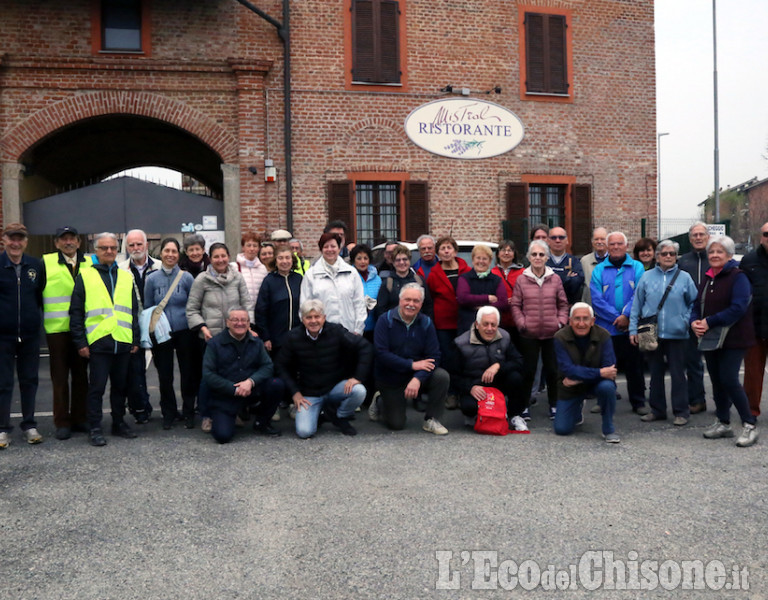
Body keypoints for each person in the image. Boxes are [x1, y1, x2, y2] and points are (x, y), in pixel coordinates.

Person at [70, 232, 140, 447]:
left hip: (122, 341)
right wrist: (81, 342)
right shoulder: (85, 276)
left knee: (120, 388)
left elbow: (133, 311)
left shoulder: (127, 277)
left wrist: (135, 339)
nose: (109, 251)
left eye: (112, 248)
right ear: (96, 250)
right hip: (98, 342)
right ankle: (95, 427)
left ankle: (118, 423)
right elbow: (76, 312)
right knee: (97, 388)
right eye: (104, 248)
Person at [691, 235, 758, 447]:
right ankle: (723, 422)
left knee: (729, 379)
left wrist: (709, 321)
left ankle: (749, 424)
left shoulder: (738, 277)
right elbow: (696, 304)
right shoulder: (708, 277)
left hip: (735, 338)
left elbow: (739, 307)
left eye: (719, 252)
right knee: (717, 381)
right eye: (711, 252)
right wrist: (694, 322)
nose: (714, 255)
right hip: (711, 338)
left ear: (729, 255)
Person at [276, 299, 371, 438]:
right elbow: (280, 365)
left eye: (317, 317)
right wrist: (294, 393)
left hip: (334, 387)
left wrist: (358, 377)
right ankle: (324, 414)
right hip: (309, 393)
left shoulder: (336, 331)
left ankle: (340, 416)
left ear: (324, 318)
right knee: (304, 432)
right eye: (309, 317)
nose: (313, 321)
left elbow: (365, 347)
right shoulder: (292, 337)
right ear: (302, 319)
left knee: (359, 391)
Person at [629, 240, 697, 425]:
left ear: (676, 257)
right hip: (651, 333)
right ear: (657, 256)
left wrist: (685, 320)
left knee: (677, 375)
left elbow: (694, 302)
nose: (668, 257)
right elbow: (637, 304)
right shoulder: (646, 277)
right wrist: (633, 329)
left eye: (672, 254)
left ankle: (681, 412)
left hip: (678, 334)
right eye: (664, 253)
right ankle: (657, 410)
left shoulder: (685, 278)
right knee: (655, 374)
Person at [186, 242, 251, 432]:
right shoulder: (201, 280)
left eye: (224, 256)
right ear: (210, 258)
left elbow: (247, 304)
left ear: (228, 256)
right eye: (216, 256)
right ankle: (206, 415)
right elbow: (192, 309)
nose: (220, 260)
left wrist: (249, 327)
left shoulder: (237, 277)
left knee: (235, 374)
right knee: (208, 378)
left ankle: (234, 411)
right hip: (210, 338)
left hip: (235, 336)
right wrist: (203, 328)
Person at [371, 284, 450, 435]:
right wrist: (411, 365)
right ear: (400, 300)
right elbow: (381, 354)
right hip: (390, 376)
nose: (411, 304)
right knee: (396, 424)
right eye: (407, 299)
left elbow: (434, 356)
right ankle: (380, 400)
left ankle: (431, 419)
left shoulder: (426, 323)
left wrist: (418, 379)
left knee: (441, 376)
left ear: (421, 303)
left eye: (416, 301)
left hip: (416, 374)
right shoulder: (385, 320)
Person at [203, 307, 284, 443]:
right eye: (235, 320)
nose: (239, 323)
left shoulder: (256, 342)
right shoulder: (214, 344)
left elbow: (268, 366)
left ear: (248, 323)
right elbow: (208, 374)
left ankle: (261, 422)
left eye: (243, 320)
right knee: (222, 437)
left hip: (251, 391)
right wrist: (233, 389)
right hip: (225, 396)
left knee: (276, 385)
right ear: (227, 322)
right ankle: (228, 416)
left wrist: (250, 382)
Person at [590, 231, 649, 415]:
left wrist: (626, 316)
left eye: (619, 244)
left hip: (630, 327)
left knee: (634, 367)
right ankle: (603, 400)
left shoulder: (637, 267)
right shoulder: (598, 270)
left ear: (626, 246)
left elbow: (639, 294)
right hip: (606, 328)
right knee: (606, 366)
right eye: (612, 244)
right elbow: (596, 299)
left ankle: (638, 402)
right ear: (607, 247)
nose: (615, 247)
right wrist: (616, 317)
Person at [41, 226, 91, 441]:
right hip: (57, 330)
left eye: (72, 239)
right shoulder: (45, 263)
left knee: (81, 377)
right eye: (64, 239)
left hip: (83, 329)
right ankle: (62, 422)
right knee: (60, 378)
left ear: (79, 242)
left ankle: (80, 418)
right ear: (56, 243)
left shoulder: (91, 263)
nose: (68, 242)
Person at [511, 240, 569, 420]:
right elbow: (515, 305)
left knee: (553, 371)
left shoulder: (555, 278)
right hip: (529, 333)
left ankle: (554, 405)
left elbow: (563, 304)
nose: (537, 258)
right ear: (529, 257)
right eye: (534, 254)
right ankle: (525, 406)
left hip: (552, 333)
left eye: (541, 255)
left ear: (547, 257)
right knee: (528, 371)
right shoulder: (522, 278)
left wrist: (560, 323)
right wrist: (522, 323)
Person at [144, 238, 197, 430]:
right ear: (161, 253)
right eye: (167, 251)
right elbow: (149, 307)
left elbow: (193, 304)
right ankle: (169, 412)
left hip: (185, 331)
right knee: (165, 375)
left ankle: (189, 411)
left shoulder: (187, 278)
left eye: (174, 251)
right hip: (161, 333)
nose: (170, 255)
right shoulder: (151, 279)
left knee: (187, 373)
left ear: (178, 254)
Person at [0, 223, 44, 448]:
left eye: (20, 239)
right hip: (3, 335)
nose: (16, 243)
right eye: (11, 238)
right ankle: (2, 428)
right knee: (3, 383)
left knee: (29, 381)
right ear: (4, 239)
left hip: (29, 334)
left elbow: (39, 296)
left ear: (25, 242)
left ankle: (29, 425)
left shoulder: (35, 265)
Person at [553, 303, 621, 443]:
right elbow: (567, 369)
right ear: (570, 321)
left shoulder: (604, 335)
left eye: (586, 319)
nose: (581, 323)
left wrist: (579, 376)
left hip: (592, 383)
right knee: (562, 429)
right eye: (577, 319)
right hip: (571, 387)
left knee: (607, 387)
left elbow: (610, 370)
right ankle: (576, 410)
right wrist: (599, 373)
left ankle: (608, 428)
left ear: (593, 321)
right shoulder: (560, 337)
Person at [454, 306, 527, 431]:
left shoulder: (505, 337)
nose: (489, 328)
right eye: (485, 324)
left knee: (516, 377)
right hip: (475, 385)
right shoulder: (461, 343)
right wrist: (470, 387)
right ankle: (476, 414)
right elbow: (453, 374)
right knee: (469, 407)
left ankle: (515, 415)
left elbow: (519, 361)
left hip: (497, 382)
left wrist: (498, 366)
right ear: (477, 324)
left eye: (493, 325)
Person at [118, 228, 158, 424]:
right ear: (127, 247)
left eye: (139, 244)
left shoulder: (159, 266)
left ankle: (171, 409)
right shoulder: (119, 270)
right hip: (133, 327)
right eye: (131, 245)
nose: (135, 248)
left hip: (157, 326)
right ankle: (140, 408)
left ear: (146, 245)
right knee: (134, 372)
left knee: (165, 371)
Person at [300, 232, 367, 334]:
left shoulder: (351, 273)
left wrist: (358, 329)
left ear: (339, 249)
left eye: (333, 246)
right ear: (321, 249)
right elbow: (304, 305)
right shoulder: (311, 275)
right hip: (321, 334)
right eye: (326, 247)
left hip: (349, 331)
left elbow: (359, 303)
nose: (330, 250)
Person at [426, 236, 470, 379]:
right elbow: (430, 298)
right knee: (447, 357)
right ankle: (450, 391)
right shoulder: (433, 275)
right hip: (443, 324)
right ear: (438, 254)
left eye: (449, 248)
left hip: (464, 321)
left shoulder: (467, 271)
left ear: (455, 251)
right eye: (442, 249)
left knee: (464, 356)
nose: (446, 251)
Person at [678, 222, 710, 414]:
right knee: (693, 363)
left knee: (719, 365)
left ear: (708, 237)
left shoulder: (715, 258)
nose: (698, 238)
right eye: (694, 235)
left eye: (701, 234)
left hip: (714, 318)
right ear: (690, 239)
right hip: (691, 319)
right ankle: (697, 400)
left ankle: (723, 401)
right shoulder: (683, 261)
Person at [740, 220, 768, 418]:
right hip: (755, 327)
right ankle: (751, 411)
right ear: (761, 237)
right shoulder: (749, 261)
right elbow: (741, 294)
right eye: (767, 234)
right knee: (752, 374)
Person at [254, 247, 302, 357]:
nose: (284, 261)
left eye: (287, 258)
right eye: (280, 258)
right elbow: (261, 311)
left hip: (298, 337)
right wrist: (266, 337)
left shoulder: (299, 279)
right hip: (276, 339)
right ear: (275, 261)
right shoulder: (269, 281)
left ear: (292, 260)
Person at [456, 244, 507, 334]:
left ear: (490, 261)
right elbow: (463, 298)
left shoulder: (496, 280)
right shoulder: (464, 278)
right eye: (478, 258)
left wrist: (483, 309)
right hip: (468, 327)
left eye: (484, 259)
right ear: (473, 260)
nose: (481, 261)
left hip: (491, 328)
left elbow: (503, 302)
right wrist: (487, 298)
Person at [375, 244, 433, 320]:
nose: (402, 262)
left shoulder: (419, 281)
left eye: (405, 259)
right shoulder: (388, 283)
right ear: (393, 262)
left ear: (409, 260)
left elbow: (428, 305)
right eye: (398, 260)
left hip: (417, 325)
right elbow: (381, 309)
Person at [491, 240, 525, 336]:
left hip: (518, 319)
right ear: (497, 254)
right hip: (498, 319)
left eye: (510, 250)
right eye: (503, 250)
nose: (506, 253)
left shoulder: (523, 272)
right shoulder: (492, 273)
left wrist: (516, 300)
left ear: (514, 255)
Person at [350, 244, 382, 342]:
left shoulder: (377, 279)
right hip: (353, 328)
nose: (362, 262)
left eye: (365, 258)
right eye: (359, 258)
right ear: (353, 260)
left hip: (373, 327)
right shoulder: (349, 277)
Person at [546, 226, 585, 305]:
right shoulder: (543, 261)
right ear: (548, 241)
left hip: (568, 306)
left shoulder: (574, 262)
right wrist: (567, 279)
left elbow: (576, 285)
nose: (557, 240)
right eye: (554, 238)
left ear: (567, 240)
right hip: (547, 305)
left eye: (561, 237)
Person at [236, 232, 268, 321]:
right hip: (241, 315)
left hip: (259, 314)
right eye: (248, 245)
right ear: (243, 247)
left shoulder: (263, 269)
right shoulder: (234, 267)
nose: (252, 249)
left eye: (255, 246)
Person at [580, 227, 609, 304]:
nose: (599, 242)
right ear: (592, 242)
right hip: (590, 305)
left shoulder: (614, 260)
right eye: (596, 239)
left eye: (602, 239)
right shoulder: (584, 261)